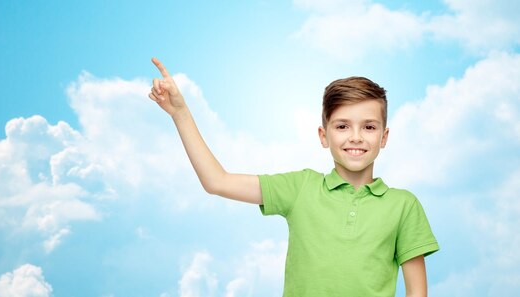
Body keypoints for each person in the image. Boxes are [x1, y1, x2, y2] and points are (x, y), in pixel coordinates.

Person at [148, 57, 439, 297]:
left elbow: (417, 292)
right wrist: (180, 112)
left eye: (369, 127)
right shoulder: (301, 188)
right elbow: (217, 181)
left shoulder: (404, 206)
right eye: (342, 126)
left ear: (384, 137)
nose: (356, 137)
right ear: (323, 136)